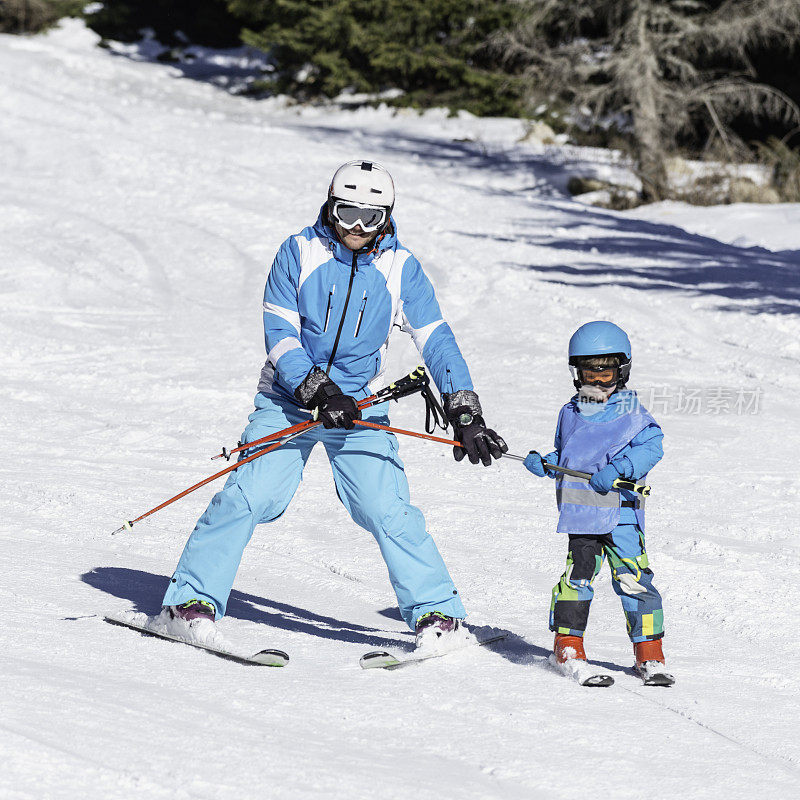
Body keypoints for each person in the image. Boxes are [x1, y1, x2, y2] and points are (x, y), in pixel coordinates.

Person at [160, 160, 507, 649]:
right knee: (250, 496)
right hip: (290, 401)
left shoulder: (400, 267)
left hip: (362, 408)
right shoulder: (298, 252)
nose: (356, 229)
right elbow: (279, 334)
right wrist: (319, 391)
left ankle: (437, 614)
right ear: (329, 205)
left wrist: (465, 412)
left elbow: (437, 341)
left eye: (369, 217)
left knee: (386, 508)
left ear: (387, 217)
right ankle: (187, 602)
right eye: (346, 213)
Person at [524, 321, 672, 682]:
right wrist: (547, 462)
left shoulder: (633, 413)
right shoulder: (570, 412)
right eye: (590, 372)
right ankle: (568, 646)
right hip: (582, 516)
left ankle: (649, 653)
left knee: (634, 579)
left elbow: (652, 448)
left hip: (621, 515)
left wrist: (621, 467)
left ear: (621, 371)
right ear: (577, 373)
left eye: (605, 372)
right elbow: (569, 454)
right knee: (577, 579)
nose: (597, 381)